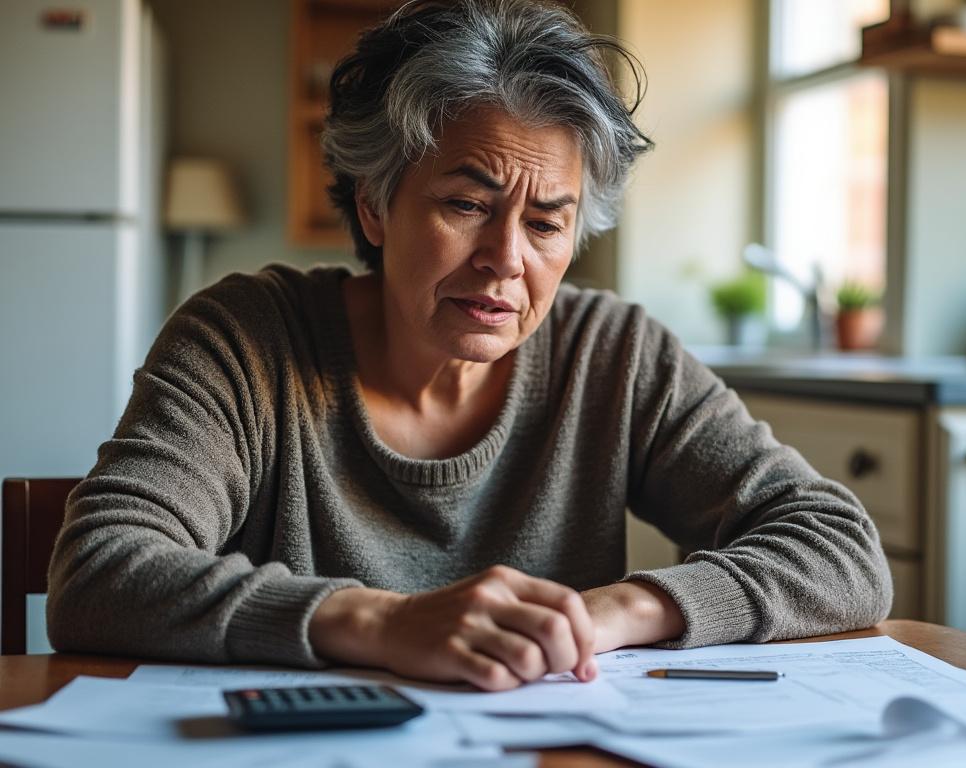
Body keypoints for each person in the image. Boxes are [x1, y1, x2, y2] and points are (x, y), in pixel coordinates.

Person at [46, 0, 892, 691]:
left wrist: (614, 612)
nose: (506, 261)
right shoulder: (245, 340)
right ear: (376, 206)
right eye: (466, 204)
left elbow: (838, 546)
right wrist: (380, 621)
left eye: (547, 222)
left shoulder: (616, 353)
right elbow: (101, 571)